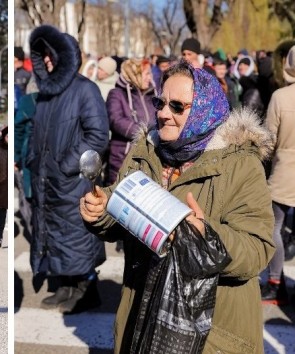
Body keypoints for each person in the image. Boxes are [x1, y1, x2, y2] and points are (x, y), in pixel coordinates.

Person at [80, 60, 275, 353]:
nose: (162, 113)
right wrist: (103, 207)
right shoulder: (146, 151)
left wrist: (205, 238)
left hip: (208, 333)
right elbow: (126, 202)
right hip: (142, 315)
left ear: (203, 110)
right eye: (160, 102)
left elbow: (257, 248)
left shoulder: (241, 165)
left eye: (177, 106)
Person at [27, 25, 109, 313]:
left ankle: (87, 289)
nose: (47, 61)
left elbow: (97, 136)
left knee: (77, 234)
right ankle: (65, 286)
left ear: (65, 55)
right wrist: (34, 161)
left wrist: (66, 165)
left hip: (72, 180)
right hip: (47, 181)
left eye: (51, 55)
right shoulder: (47, 94)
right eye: (44, 56)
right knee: (55, 234)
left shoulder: (85, 89)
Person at [261, 45, 295, 305]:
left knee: (273, 226)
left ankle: (275, 283)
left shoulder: (281, 97)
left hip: (284, 172)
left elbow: (267, 140)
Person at [106, 57, 156, 184]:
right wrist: (144, 133)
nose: (150, 77)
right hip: (122, 158)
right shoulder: (117, 93)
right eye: (147, 73)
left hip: (148, 157)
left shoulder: (152, 95)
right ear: (135, 74)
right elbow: (115, 120)